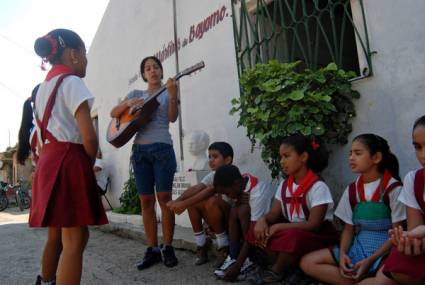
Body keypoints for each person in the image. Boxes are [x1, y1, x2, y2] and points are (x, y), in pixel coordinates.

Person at [29, 29, 108, 285]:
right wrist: (88, 161)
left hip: (49, 161)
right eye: (84, 54)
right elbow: (90, 138)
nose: (86, 60)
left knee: (59, 235)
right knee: (75, 241)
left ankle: (47, 280)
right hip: (68, 160)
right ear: (73, 55)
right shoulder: (72, 82)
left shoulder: (42, 89)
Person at [300, 134, 405, 285]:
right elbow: (349, 229)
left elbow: (397, 234)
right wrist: (343, 254)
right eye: (350, 153)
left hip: (385, 252)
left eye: (358, 153)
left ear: (376, 158)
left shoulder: (393, 189)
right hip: (358, 246)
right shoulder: (352, 190)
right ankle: (359, 279)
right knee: (307, 262)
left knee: (384, 281)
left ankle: (363, 278)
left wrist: (370, 260)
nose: (351, 158)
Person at [110, 56, 179, 269]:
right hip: (140, 152)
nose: (153, 71)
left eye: (156, 67)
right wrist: (128, 103)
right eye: (148, 68)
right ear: (143, 74)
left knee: (165, 199)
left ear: (161, 70)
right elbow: (114, 114)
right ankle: (152, 249)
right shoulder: (135, 94)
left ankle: (168, 246)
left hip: (162, 149)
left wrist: (174, 94)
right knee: (146, 201)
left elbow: (172, 118)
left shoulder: (168, 92)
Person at [245, 134, 338, 284]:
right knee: (256, 228)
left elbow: (313, 225)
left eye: (286, 156)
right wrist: (263, 220)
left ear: (303, 157)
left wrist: (279, 227)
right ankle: (287, 266)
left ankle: (277, 270)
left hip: (317, 236)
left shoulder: (318, 187)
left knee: (293, 236)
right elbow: (275, 213)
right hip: (290, 230)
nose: (282, 161)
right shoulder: (284, 186)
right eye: (281, 157)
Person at [167, 142, 233, 266]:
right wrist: (178, 201)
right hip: (218, 220)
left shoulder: (229, 173)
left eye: (215, 156)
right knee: (194, 201)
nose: (211, 160)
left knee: (211, 200)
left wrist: (183, 204)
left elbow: (211, 190)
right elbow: (196, 188)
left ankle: (224, 246)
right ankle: (201, 244)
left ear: (228, 160)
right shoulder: (213, 174)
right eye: (209, 157)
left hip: (232, 222)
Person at [380, 116, 425, 285]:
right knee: (399, 265)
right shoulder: (414, 180)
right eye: (418, 147)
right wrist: (409, 238)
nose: (423, 155)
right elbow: (415, 229)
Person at [212, 164, 275, 281]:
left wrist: (237, 267)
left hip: (265, 231)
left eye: (227, 193)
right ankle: (233, 256)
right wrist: (236, 201)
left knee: (242, 210)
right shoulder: (242, 181)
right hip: (252, 229)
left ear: (236, 184)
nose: (227, 196)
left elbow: (253, 231)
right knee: (235, 210)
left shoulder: (258, 193)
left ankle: (249, 259)